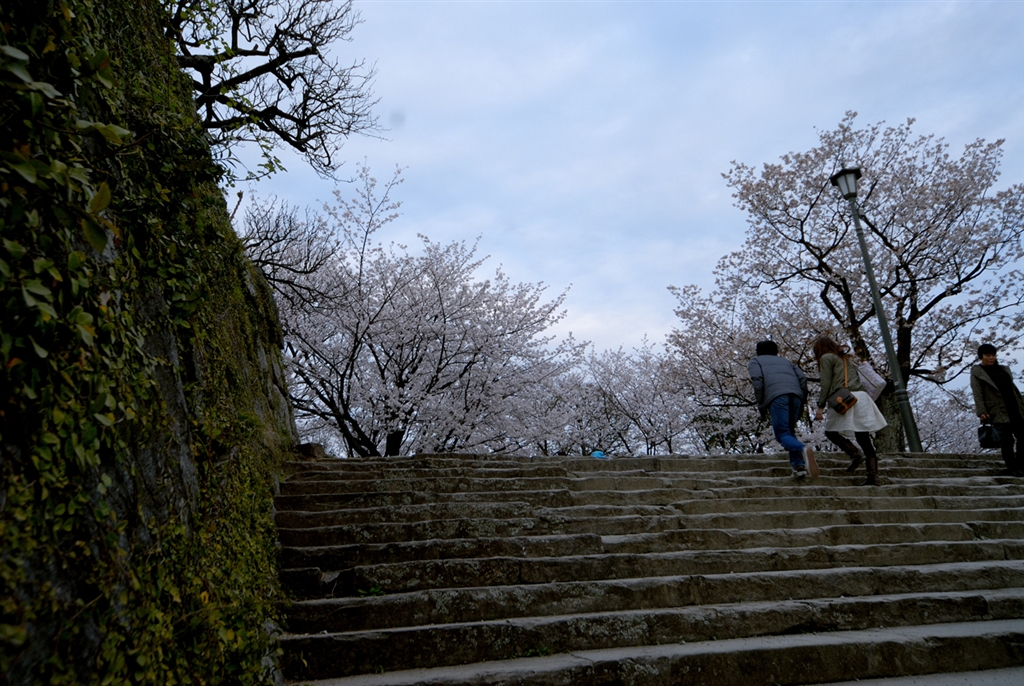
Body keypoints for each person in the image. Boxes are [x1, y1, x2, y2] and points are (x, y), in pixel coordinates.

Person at [812, 335, 888, 486]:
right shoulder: (846, 359)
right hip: (861, 398)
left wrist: (820, 406)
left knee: (831, 431)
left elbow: (826, 384)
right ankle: (873, 476)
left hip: (845, 398)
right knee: (863, 438)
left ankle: (855, 453)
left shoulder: (826, 358)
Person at [749, 340, 817, 479]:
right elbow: (802, 379)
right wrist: (802, 398)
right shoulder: (787, 362)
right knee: (790, 432)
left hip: (777, 396)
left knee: (782, 433)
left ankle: (802, 449)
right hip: (796, 396)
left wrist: (761, 403)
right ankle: (799, 466)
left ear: (758, 351)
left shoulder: (755, 361)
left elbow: (757, 380)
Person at [970, 343, 1024, 477]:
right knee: (1007, 441)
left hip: (1014, 407)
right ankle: (1012, 467)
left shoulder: (1004, 369)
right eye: (987, 355)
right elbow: (978, 393)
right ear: (981, 356)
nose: (991, 358)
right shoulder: (978, 372)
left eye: (993, 355)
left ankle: (1021, 465)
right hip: (996, 409)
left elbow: (1013, 389)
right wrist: (982, 411)